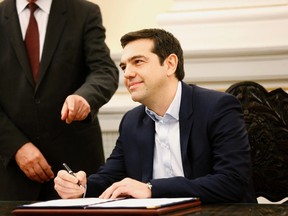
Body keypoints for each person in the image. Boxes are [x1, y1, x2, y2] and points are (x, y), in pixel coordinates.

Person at [54, 28, 257, 203]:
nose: (127, 74)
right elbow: (111, 177)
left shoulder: (218, 107)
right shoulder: (131, 121)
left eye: (138, 62)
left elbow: (232, 181)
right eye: (124, 67)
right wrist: (83, 187)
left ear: (170, 64)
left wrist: (152, 189)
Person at [0, 0, 119, 200]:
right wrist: (16, 147)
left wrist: (85, 97)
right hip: (12, 173)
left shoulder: (85, 12)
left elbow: (104, 71)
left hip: (76, 169)